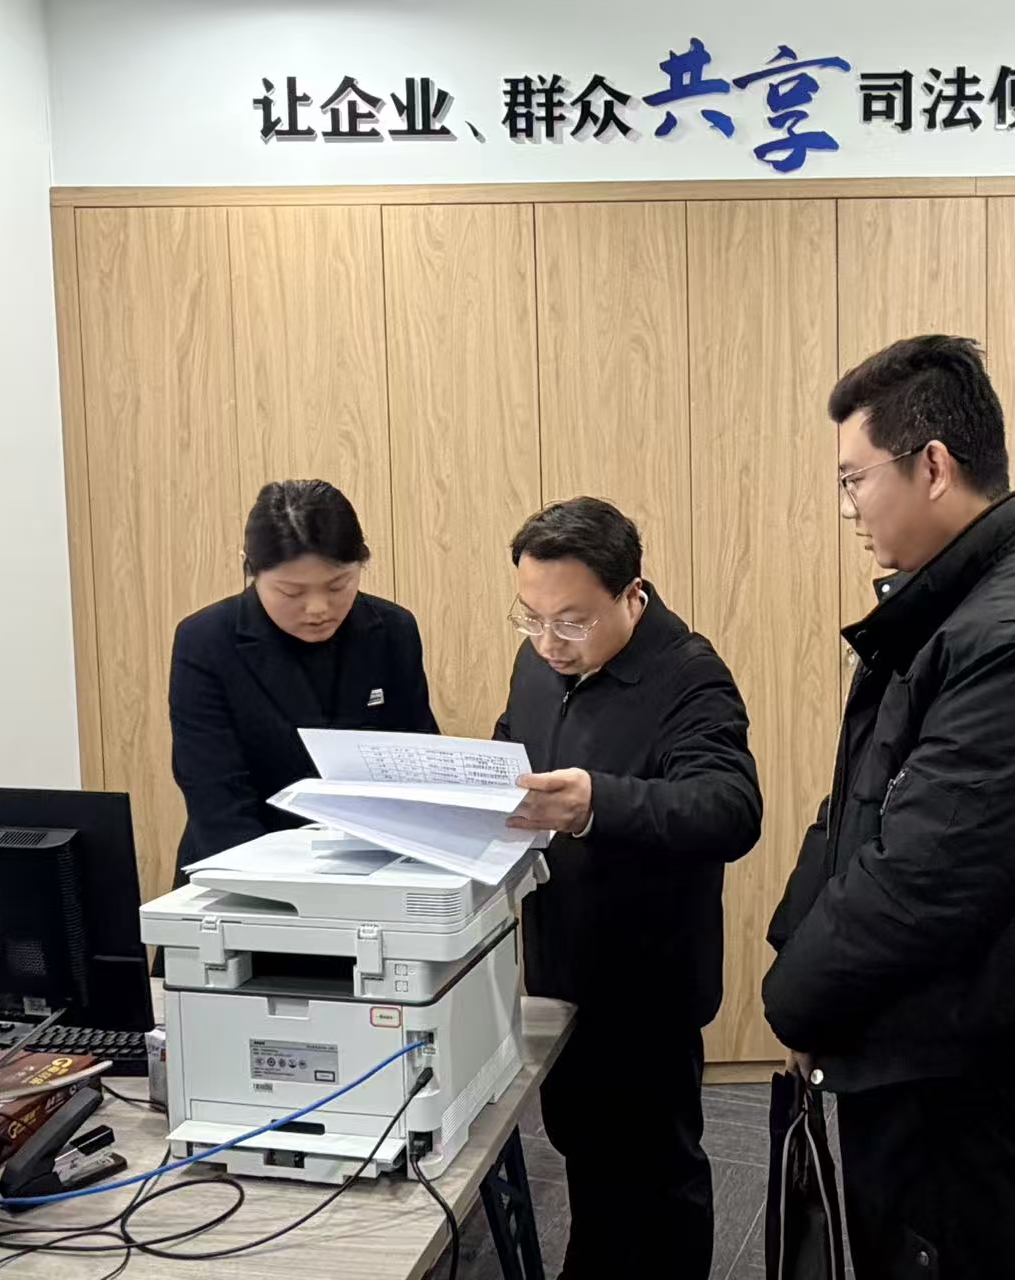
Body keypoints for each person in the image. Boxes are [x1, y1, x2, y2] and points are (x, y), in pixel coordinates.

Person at [763, 336, 1015, 1279]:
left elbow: (922, 885)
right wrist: (799, 953)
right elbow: (859, 804)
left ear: (931, 465)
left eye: (853, 479)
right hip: (913, 1046)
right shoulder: (958, 604)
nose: (848, 508)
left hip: (953, 1075)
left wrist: (795, 997)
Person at [495, 498, 761, 1280]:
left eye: (571, 622)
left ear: (631, 595)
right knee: (585, 1154)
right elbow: (514, 742)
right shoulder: (539, 664)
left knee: (656, 1172)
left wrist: (595, 804)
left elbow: (728, 808)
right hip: (562, 962)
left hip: (647, 982)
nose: (549, 642)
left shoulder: (688, 675)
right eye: (532, 618)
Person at [168, 479, 437, 880]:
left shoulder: (393, 630)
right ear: (250, 568)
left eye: (338, 585)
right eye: (291, 592)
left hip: (372, 874)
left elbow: (417, 766)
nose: (318, 609)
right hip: (241, 872)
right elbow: (216, 796)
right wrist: (288, 892)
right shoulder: (207, 641)